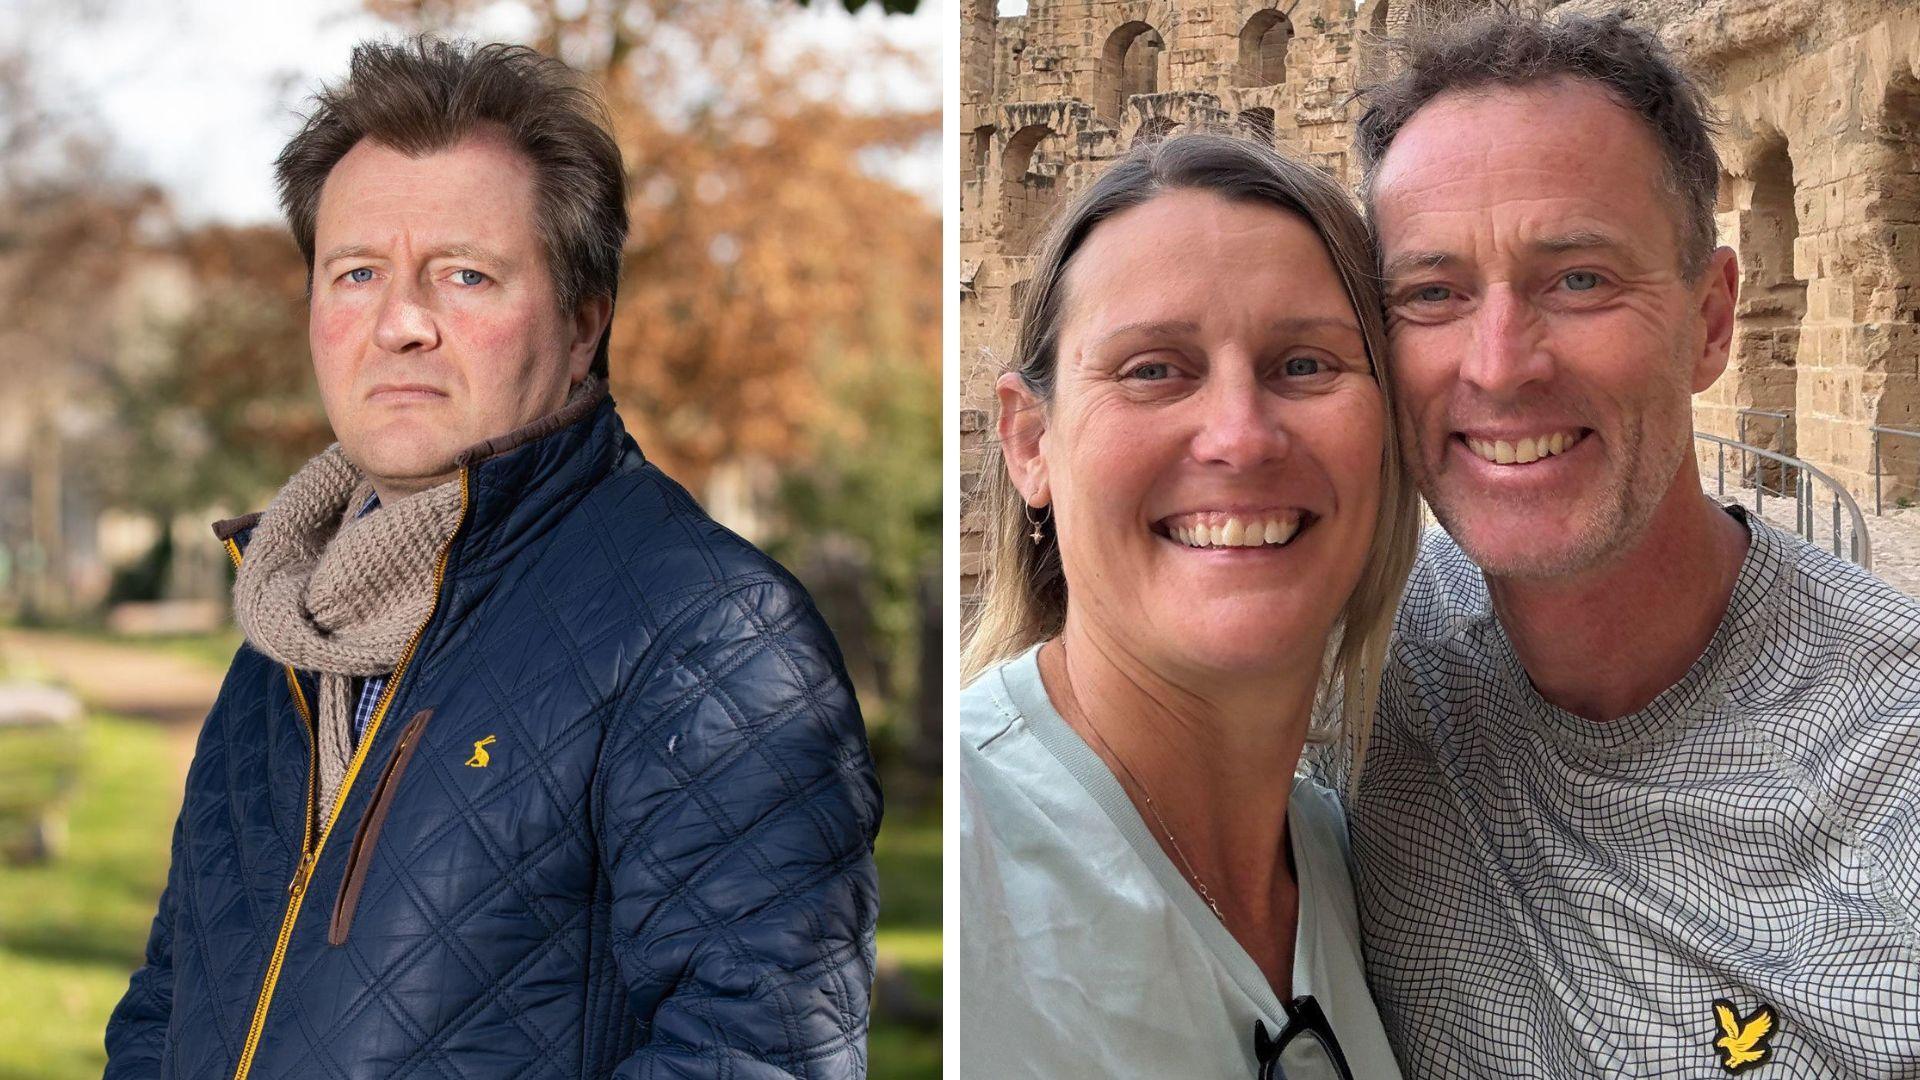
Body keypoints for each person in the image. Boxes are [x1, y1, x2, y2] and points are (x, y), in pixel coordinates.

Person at [103, 38, 880, 1079]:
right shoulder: (288, 629)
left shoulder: (715, 634)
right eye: (357, 273)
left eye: (464, 275)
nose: (401, 324)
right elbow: (171, 999)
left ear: (582, 325)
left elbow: (755, 1056)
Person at [1346, 11, 1920, 1077]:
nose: (1500, 365)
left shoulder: (1893, 757)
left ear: (1711, 322)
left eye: (1580, 279)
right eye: (1432, 294)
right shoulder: (1349, 671)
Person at [959, 133, 1422, 1078]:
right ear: (1031, 443)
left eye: (1305, 365)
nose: (1240, 437)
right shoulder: (961, 859)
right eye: (1152, 369)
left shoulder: (1365, 871)